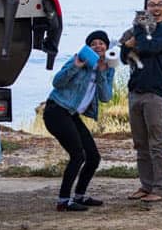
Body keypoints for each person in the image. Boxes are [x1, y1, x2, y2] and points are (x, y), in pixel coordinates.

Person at [43, 30, 116, 212]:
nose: (98, 46)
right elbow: (57, 83)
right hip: (56, 110)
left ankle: (80, 196)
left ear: (107, 47)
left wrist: (101, 73)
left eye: (101, 43)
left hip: (71, 114)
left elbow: (106, 97)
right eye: (93, 44)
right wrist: (75, 66)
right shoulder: (78, 61)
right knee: (78, 155)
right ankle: (63, 201)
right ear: (88, 48)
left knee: (93, 157)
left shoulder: (108, 67)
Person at [121, 0, 162, 203]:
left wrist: (136, 33)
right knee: (140, 143)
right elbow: (124, 56)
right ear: (146, 9)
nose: (155, 7)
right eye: (151, 4)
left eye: (160, 4)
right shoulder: (140, 30)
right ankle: (146, 185)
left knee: (157, 143)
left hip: (155, 92)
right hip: (135, 90)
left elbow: (148, 46)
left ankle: (161, 189)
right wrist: (129, 44)